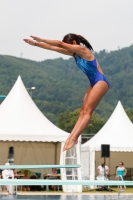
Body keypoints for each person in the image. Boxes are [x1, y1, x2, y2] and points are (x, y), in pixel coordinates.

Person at [23, 33, 110, 151]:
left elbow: (59, 43)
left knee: (88, 111)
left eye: (67, 45)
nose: (66, 48)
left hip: (100, 82)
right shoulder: (75, 54)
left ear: (74, 43)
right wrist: (35, 44)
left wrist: (42, 39)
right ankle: (71, 137)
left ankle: (74, 138)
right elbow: (54, 48)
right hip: (93, 83)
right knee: (82, 112)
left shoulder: (82, 49)